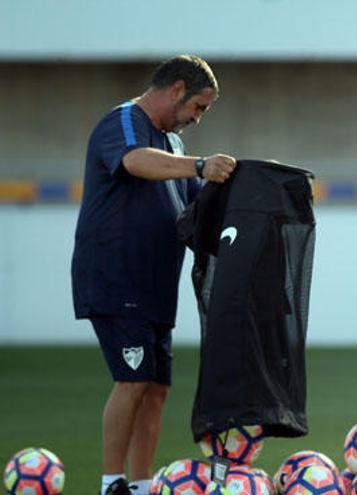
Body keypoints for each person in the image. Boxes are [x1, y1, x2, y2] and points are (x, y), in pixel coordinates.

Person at [71, 55, 236, 495]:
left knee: (157, 387)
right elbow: (134, 161)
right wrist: (201, 165)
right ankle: (112, 484)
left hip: (156, 285)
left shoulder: (175, 147)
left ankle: (142, 485)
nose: (197, 120)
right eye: (198, 108)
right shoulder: (124, 120)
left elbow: (196, 212)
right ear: (177, 89)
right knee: (134, 379)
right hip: (115, 277)